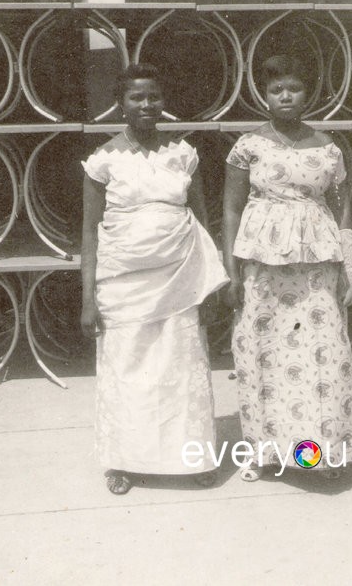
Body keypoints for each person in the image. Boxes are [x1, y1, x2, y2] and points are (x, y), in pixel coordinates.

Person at [80, 64, 229, 495]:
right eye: (136, 97)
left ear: (164, 101)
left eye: (154, 97)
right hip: (122, 284)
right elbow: (89, 233)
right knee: (128, 369)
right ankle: (124, 461)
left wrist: (209, 282)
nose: (146, 105)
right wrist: (88, 298)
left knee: (181, 365)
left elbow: (202, 221)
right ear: (120, 103)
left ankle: (193, 458)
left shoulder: (183, 154)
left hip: (180, 277)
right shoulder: (103, 160)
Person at [222, 54, 352, 481]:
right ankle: (263, 452)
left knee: (320, 352)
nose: (285, 96)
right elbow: (230, 210)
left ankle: (320, 454)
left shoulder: (328, 147)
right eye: (276, 89)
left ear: (308, 94)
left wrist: (350, 269)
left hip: (317, 264)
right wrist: (231, 271)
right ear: (264, 96)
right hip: (262, 265)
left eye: (294, 88)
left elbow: (343, 210)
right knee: (263, 351)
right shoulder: (247, 146)